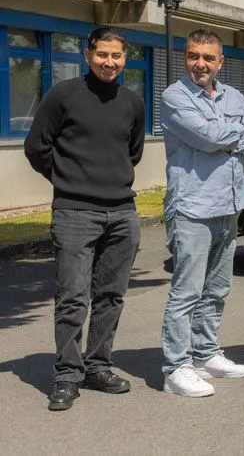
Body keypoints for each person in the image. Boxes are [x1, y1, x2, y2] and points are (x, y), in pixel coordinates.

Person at [24, 27, 145, 411]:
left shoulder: (132, 102)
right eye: (102, 55)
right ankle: (67, 375)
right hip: (75, 212)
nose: (110, 63)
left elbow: (133, 151)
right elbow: (36, 147)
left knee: (111, 295)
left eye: (117, 56)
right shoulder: (64, 96)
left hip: (122, 213)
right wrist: (67, 179)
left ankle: (97, 366)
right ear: (87, 55)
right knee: (73, 297)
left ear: (124, 59)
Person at [159, 28, 244, 397]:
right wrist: (221, 136)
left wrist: (221, 136)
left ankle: (205, 354)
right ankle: (175, 367)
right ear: (185, 57)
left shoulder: (233, 95)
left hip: (229, 204)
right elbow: (208, 138)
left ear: (221, 61)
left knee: (217, 288)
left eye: (207, 57)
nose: (199, 64)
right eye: (193, 56)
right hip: (192, 205)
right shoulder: (174, 97)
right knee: (186, 291)